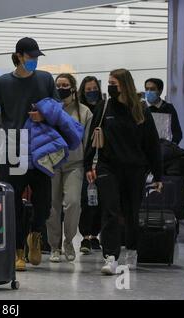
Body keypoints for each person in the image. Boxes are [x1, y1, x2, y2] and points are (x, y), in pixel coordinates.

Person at [0, 37, 59, 271]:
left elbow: (57, 106)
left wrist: (44, 115)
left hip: (41, 148)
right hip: (12, 149)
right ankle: (17, 250)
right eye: (30, 56)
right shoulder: (3, 83)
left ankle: (35, 235)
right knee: (12, 204)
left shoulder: (45, 79)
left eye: (36, 57)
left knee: (44, 203)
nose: (33, 60)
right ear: (19, 56)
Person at [84, 68, 163, 275]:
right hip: (107, 167)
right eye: (109, 83)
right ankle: (110, 256)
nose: (110, 87)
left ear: (124, 85)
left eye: (114, 83)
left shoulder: (141, 110)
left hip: (135, 169)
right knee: (110, 210)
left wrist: (158, 175)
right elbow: (93, 137)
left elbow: (152, 145)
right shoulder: (104, 107)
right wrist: (87, 166)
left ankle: (132, 250)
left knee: (131, 213)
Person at [47, 74, 93, 263]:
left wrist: (90, 164)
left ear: (73, 88)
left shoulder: (84, 112)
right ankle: (54, 247)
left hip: (74, 164)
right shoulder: (48, 110)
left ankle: (69, 240)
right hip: (51, 164)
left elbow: (88, 141)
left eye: (65, 85)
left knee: (73, 203)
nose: (62, 88)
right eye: (58, 85)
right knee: (52, 206)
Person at [77, 76, 105, 253]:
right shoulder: (80, 111)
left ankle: (95, 235)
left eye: (94, 88)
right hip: (83, 160)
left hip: (102, 161)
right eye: (88, 89)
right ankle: (86, 236)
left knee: (100, 200)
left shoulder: (104, 109)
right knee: (86, 199)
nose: (91, 92)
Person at [145, 78, 183, 145]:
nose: (149, 92)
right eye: (147, 89)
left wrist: (171, 145)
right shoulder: (141, 108)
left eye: (152, 89)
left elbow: (177, 132)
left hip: (165, 148)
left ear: (160, 91)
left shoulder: (168, 108)